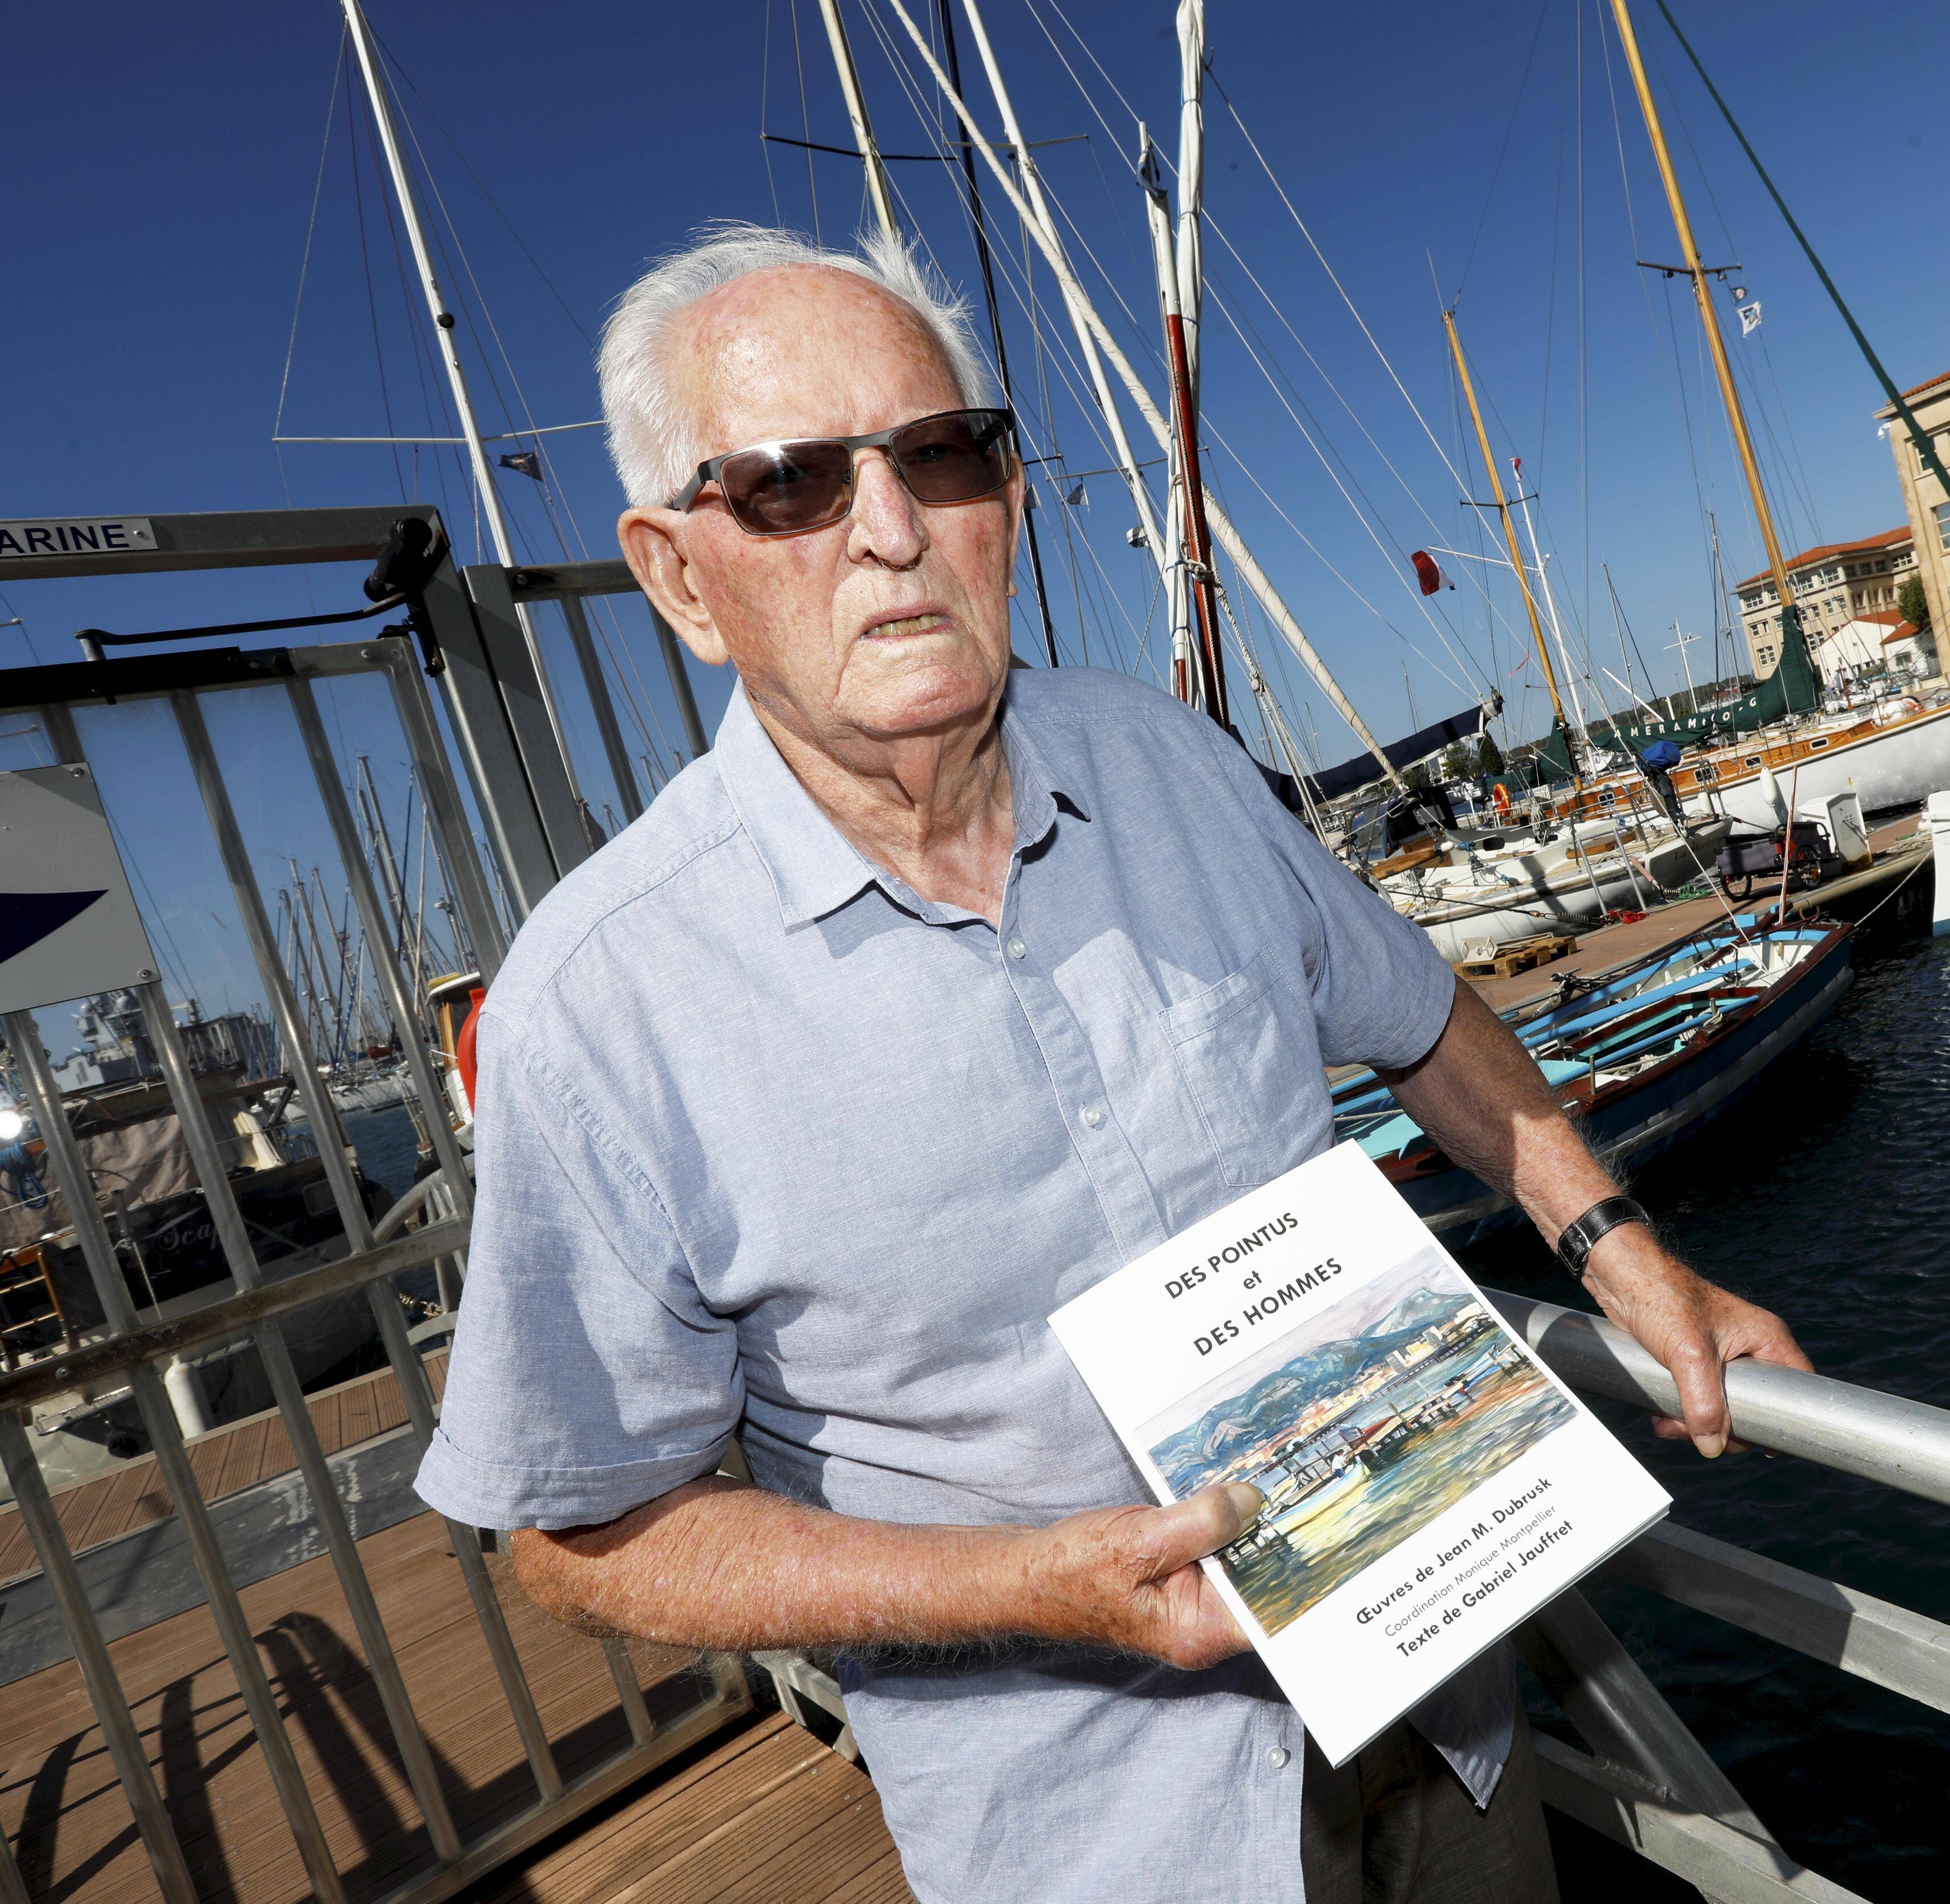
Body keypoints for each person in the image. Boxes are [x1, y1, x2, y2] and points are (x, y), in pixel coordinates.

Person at [411, 222, 1812, 1904]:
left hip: (1445, 1711)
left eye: (943, 454)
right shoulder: (606, 1002)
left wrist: (1621, 1251)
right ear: (680, 578)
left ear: (1004, 498)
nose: (891, 528)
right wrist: (1024, 1585)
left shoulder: (1178, 765)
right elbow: (575, 1539)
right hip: (1100, 1829)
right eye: (790, 484)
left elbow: (1421, 1018)